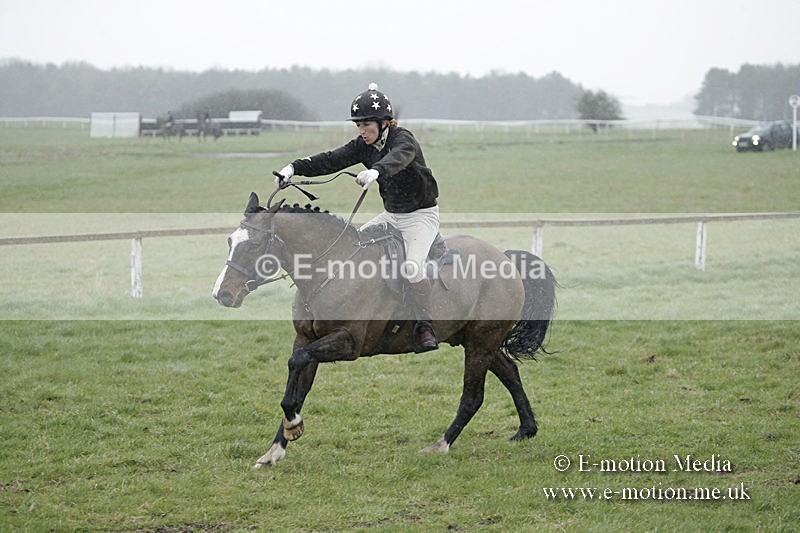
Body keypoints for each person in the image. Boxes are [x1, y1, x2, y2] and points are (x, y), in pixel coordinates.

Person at [275, 83, 440, 352]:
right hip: (391, 215)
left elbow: (398, 158)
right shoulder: (364, 145)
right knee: (356, 248)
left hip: (421, 216)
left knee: (412, 267)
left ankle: (425, 325)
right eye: (358, 126)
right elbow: (331, 159)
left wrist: (376, 171)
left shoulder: (404, 139)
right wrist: (294, 168)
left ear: (384, 123)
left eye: (366, 125)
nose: (362, 131)